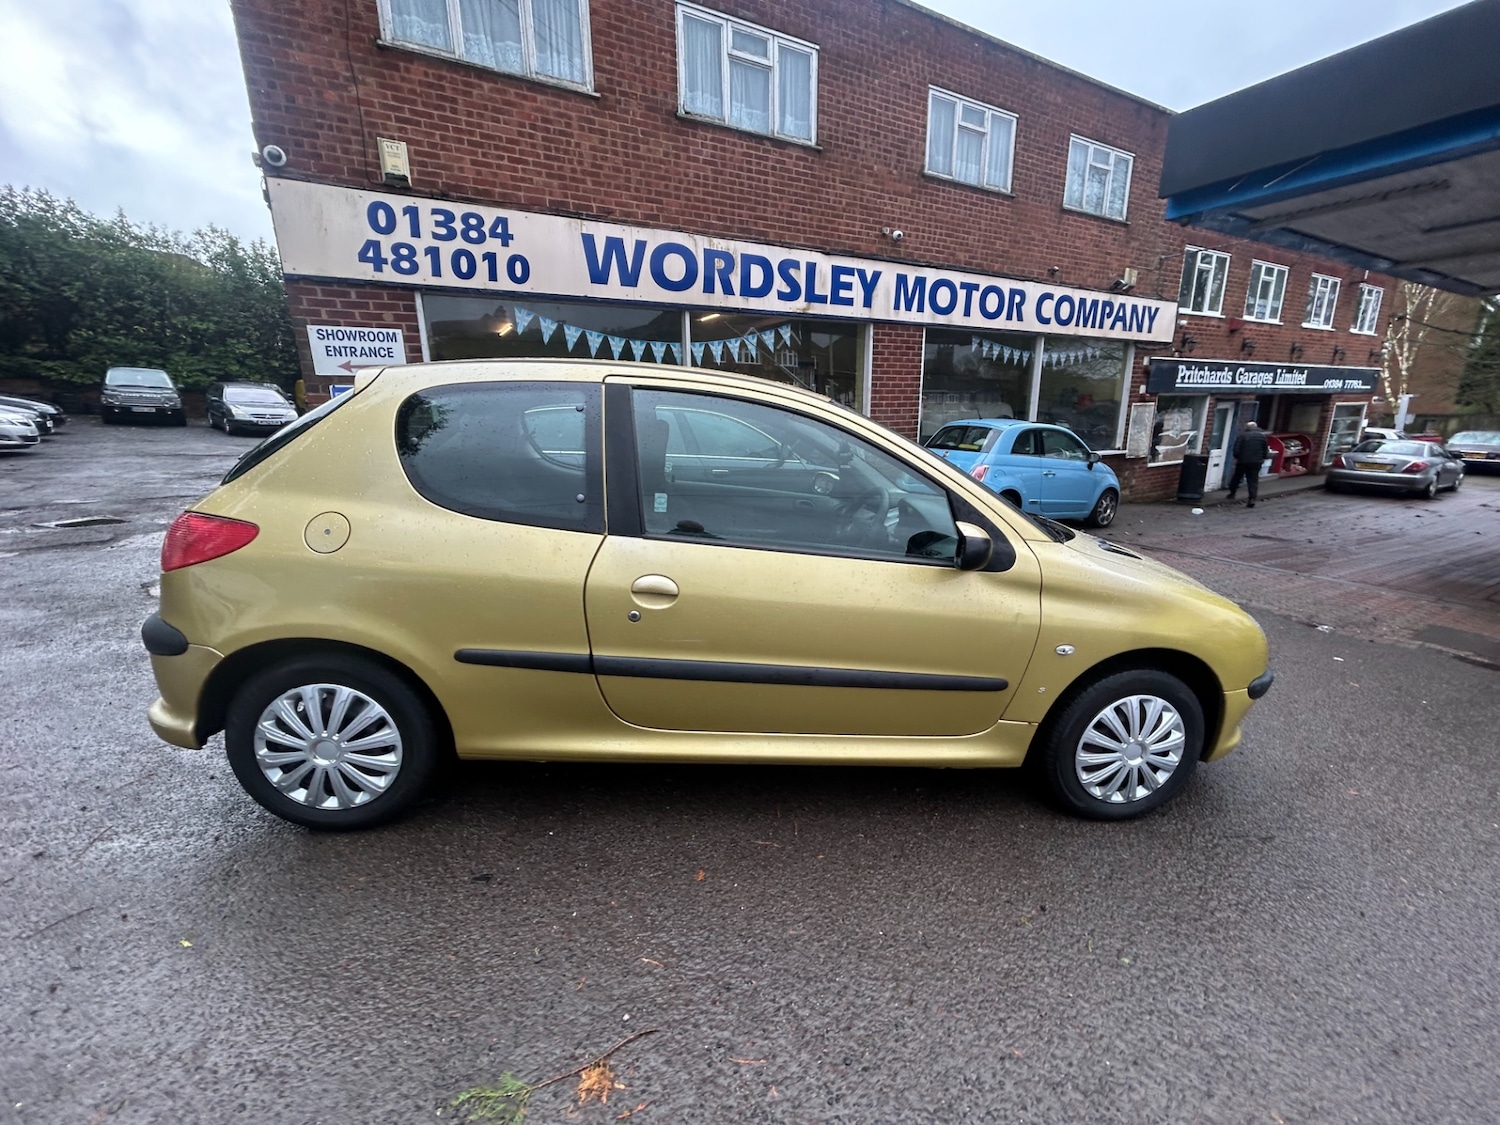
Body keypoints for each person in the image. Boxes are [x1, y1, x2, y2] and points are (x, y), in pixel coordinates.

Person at [1226, 421, 1271, 507]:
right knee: (1253, 480)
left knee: (1237, 477)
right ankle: (1252, 499)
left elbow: (1236, 450)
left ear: (1247, 428)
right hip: (1256, 462)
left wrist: (1238, 457)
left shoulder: (1242, 436)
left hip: (1243, 461)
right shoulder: (1262, 437)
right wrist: (1263, 458)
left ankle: (1232, 493)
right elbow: (1265, 450)